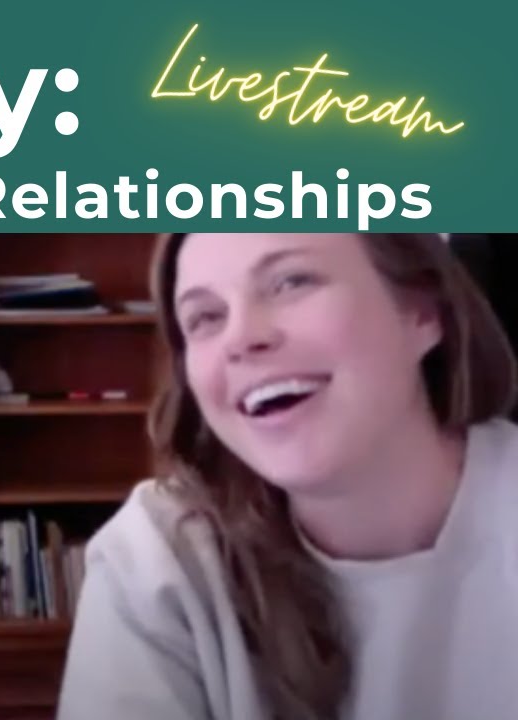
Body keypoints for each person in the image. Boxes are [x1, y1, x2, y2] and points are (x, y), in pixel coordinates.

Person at [56, 233, 518, 720]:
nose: (241, 339)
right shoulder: (159, 558)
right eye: (206, 317)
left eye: (291, 282)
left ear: (423, 312)